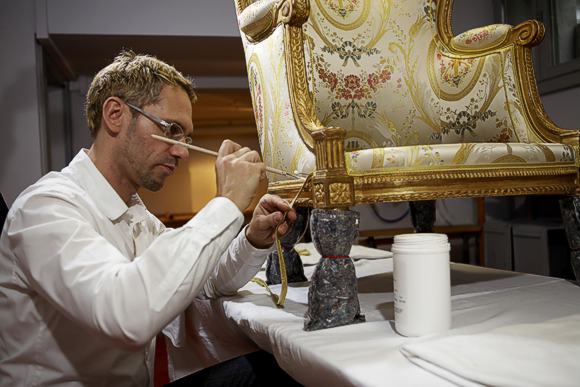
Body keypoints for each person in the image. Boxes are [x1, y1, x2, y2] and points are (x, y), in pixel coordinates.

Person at [0, 51, 299, 386]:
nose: (183, 152)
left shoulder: (136, 216)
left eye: (185, 137)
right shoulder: (45, 207)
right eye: (171, 129)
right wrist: (226, 201)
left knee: (281, 363)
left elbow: (206, 280)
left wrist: (252, 238)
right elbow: (126, 315)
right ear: (115, 114)